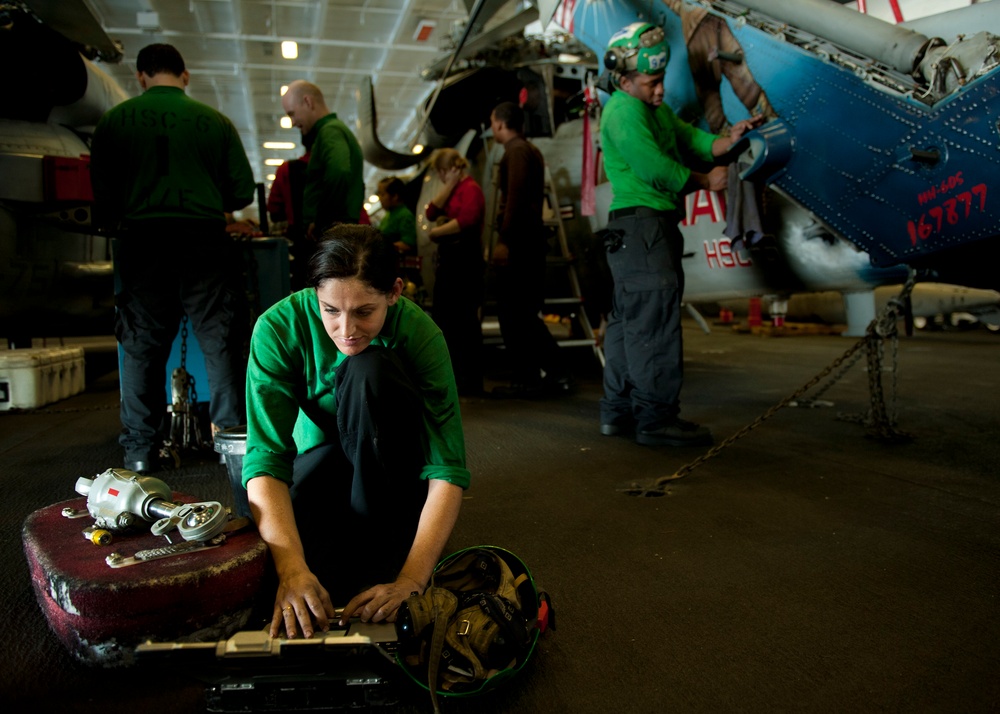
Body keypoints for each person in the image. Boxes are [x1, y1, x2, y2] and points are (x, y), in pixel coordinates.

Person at [241, 225, 468, 639]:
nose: (346, 329)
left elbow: (447, 469)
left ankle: (383, 549)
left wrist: (411, 580)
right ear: (314, 295)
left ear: (394, 292)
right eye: (330, 309)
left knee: (369, 369)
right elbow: (265, 461)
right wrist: (292, 571)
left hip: (391, 466)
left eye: (364, 312)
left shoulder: (421, 334)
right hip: (323, 457)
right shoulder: (276, 329)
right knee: (279, 576)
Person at [90, 43, 255, 473]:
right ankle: (232, 449)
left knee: (141, 348)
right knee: (218, 342)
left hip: (141, 241)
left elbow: (102, 199)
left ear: (141, 77)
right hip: (203, 240)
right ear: (185, 76)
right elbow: (240, 191)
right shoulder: (214, 122)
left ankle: (140, 454)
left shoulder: (114, 122)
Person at [599, 22, 764, 447]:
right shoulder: (622, 111)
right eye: (652, 83)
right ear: (624, 79)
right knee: (653, 325)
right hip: (643, 229)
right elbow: (654, 167)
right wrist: (708, 182)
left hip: (640, 232)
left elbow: (689, 138)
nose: (659, 91)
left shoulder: (653, 110)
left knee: (627, 324)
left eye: (661, 82)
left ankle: (618, 413)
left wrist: (727, 141)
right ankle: (656, 420)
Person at [489, 101, 569, 397]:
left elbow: (516, 199)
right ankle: (534, 376)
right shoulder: (526, 150)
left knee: (515, 313)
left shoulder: (517, 152)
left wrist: (504, 240)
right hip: (528, 241)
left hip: (520, 243)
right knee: (520, 313)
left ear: (499, 124)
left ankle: (542, 374)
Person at [425, 149, 486, 396]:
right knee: (446, 319)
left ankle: (470, 381)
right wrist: (449, 185)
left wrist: (436, 234)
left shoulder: (471, 189)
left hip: (465, 261)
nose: (440, 176)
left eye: (442, 171)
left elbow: (468, 219)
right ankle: (453, 377)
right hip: (450, 261)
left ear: (449, 168)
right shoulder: (455, 190)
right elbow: (431, 212)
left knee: (464, 321)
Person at [280, 80, 364, 239]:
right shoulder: (331, 131)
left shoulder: (330, 131)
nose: (292, 122)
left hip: (335, 231)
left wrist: (321, 222)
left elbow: (339, 171)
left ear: (307, 102)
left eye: (292, 114)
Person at [375, 176, 417, 255]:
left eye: (382, 194)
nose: (380, 198)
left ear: (395, 196)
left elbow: (408, 244)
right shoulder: (389, 214)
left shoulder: (405, 215)